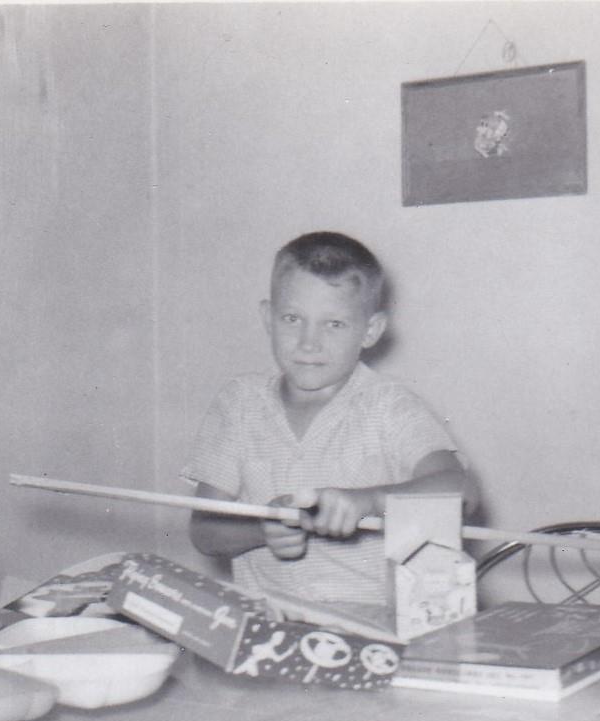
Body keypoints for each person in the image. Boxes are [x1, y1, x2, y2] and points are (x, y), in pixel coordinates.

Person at [182, 231, 478, 607]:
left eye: (334, 324)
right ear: (267, 318)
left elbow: (462, 491)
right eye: (292, 318)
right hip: (265, 628)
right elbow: (204, 532)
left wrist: (369, 501)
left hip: (373, 630)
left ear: (370, 331)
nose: (309, 343)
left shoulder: (388, 406)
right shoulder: (239, 402)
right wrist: (263, 529)